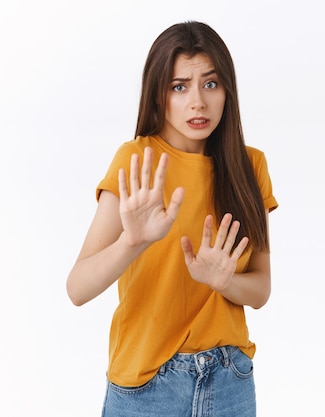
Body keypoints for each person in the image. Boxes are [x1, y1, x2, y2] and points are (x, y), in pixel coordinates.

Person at [66, 21, 278, 417]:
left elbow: (262, 289)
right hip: (147, 387)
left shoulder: (251, 166)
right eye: (179, 86)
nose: (197, 102)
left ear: (227, 90)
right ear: (159, 95)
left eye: (210, 84)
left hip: (229, 381)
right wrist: (134, 241)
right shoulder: (137, 161)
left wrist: (225, 282)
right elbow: (77, 288)